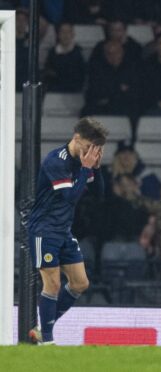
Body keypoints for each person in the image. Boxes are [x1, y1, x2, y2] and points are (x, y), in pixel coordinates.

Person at [28, 118, 108, 344]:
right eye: (88, 147)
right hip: (43, 230)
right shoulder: (57, 160)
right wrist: (85, 169)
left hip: (63, 230)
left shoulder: (83, 162)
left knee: (80, 283)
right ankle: (48, 340)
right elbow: (70, 197)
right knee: (52, 284)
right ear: (76, 138)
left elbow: (99, 195)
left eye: (96, 149)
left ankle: (44, 329)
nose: (90, 152)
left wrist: (97, 169)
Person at [42, 22, 86, 92]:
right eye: (63, 32)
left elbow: (81, 74)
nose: (66, 35)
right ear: (58, 34)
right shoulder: (52, 53)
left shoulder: (79, 52)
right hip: (55, 90)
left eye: (68, 32)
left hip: (75, 91)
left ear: (73, 34)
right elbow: (49, 73)